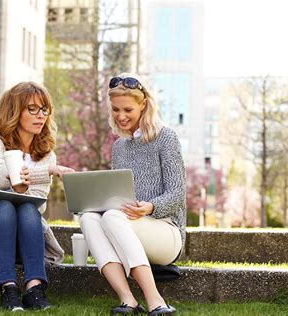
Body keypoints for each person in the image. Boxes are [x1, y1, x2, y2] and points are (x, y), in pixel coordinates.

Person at [0, 82, 74, 311]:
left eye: (45, 109)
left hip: (21, 237)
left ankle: (34, 289)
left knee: (28, 208)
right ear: (14, 111)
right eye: (33, 109)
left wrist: (37, 174)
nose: (41, 116)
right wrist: (45, 173)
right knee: (4, 204)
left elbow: (37, 200)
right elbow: (0, 176)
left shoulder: (48, 154)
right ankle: (8, 288)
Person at [80, 73, 186, 315]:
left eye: (127, 109)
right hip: (126, 225)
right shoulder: (119, 147)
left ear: (143, 105)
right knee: (88, 218)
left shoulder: (166, 138)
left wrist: (149, 207)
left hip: (165, 232)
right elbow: (115, 193)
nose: (121, 116)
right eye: (116, 110)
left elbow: (177, 194)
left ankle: (156, 301)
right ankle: (128, 299)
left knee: (112, 218)